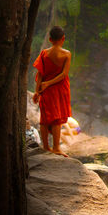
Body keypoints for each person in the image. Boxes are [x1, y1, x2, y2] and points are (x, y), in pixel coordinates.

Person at [32, 26, 72, 157]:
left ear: (50, 39)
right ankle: (56, 148)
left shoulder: (44, 53)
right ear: (63, 39)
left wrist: (37, 91)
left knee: (44, 119)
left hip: (45, 90)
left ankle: (45, 147)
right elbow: (63, 74)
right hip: (59, 89)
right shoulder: (66, 54)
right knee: (57, 119)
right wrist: (49, 83)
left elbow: (40, 74)